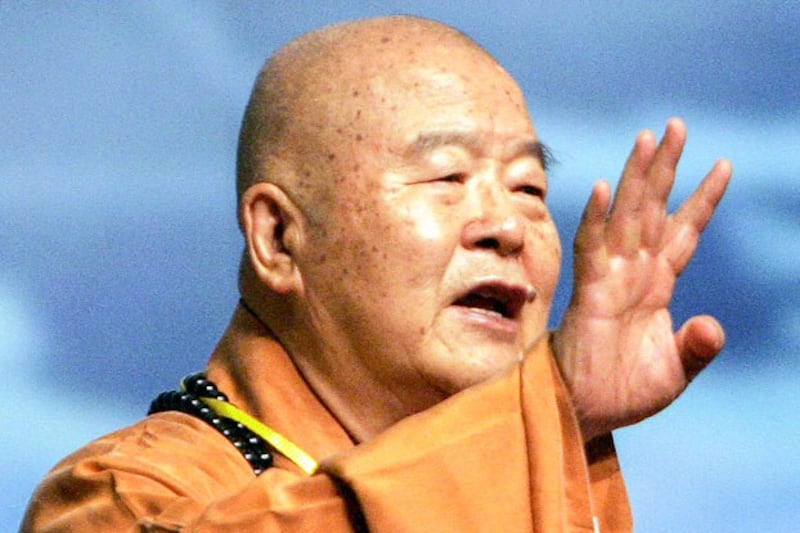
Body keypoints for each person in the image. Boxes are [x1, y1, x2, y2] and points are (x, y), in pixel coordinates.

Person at [21, 15, 732, 532]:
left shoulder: (546, 474)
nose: (508, 227)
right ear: (277, 236)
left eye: (528, 189)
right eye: (447, 176)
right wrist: (542, 406)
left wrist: (556, 419)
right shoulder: (116, 495)